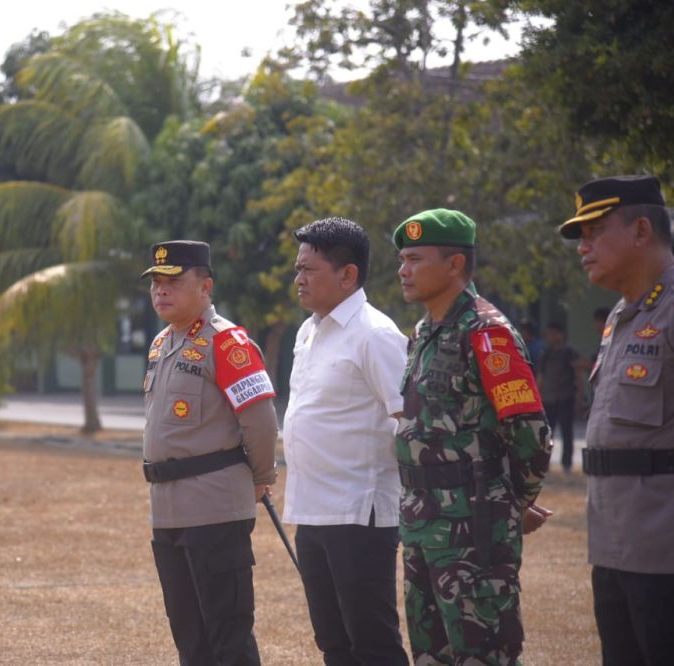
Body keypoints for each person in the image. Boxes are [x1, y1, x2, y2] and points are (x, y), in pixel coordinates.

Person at [392, 209, 553, 664]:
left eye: (415, 259)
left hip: (474, 528)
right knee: (431, 654)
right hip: (423, 524)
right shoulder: (425, 331)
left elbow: (531, 433)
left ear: (455, 265)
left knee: (483, 654)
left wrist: (509, 505)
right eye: (402, 258)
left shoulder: (487, 332)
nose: (403, 270)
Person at [141, 240, 278, 665]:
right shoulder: (162, 342)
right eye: (156, 283)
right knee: (191, 642)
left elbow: (260, 421)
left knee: (228, 639)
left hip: (215, 509)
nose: (161, 291)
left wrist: (260, 478)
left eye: (174, 281)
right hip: (167, 510)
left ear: (205, 287)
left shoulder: (228, 342)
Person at [557, 175, 674, 665]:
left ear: (641, 230)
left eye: (594, 231)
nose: (583, 246)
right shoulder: (623, 316)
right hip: (613, 543)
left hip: (664, 552)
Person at [283, 218, 410, 666]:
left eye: (309, 270)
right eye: (297, 269)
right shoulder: (308, 330)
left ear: (348, 275)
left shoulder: (375, 335)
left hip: (360, 513)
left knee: (371, 641)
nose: (298, 278)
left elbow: (408, 420)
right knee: (333, 642)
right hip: (313, 508)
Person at [536, 322, 584, 472]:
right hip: (548, 398)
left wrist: (579, 398)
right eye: (549, 334)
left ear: (561, 334)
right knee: (546, 433)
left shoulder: (569, 352)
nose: (551, 337)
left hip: (566, 397)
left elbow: (578, 375)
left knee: (566, 432)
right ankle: (545, 463)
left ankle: (567, 463)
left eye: (553, 333)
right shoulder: (546, 353)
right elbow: (541, 377)